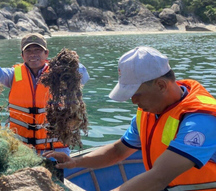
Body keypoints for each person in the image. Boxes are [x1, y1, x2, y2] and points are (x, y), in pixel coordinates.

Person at [43, 46, 216, 191]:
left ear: (161, 85)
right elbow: (119, 151)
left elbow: (159, 177)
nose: (133, 101)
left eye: (136, 94)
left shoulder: (201, 120)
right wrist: (75, 162)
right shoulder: (148, 112)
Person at [0, 33, 89, 156]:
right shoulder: (15, 74)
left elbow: (83, 77)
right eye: (28, 50)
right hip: (20, 148)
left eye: (38, 50)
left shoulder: (60, 74)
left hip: (55, 149)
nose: (33, 54)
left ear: (46, 53)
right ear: (22, 56)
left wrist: (72, 63)